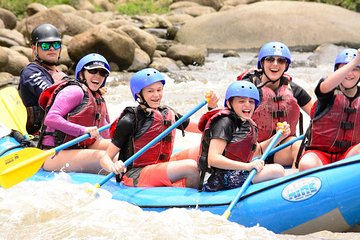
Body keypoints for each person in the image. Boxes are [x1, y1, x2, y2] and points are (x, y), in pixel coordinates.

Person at [100, 68, 218, 188]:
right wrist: (113, 166)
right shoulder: (130, 119)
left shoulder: (166, 112)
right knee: (191, 167)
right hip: (136, 174)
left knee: (210, 149)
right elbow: (105, 158)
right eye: (150, 91)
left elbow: (201, 128)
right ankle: (193, 198)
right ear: (138, 94)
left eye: (159, 90)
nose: (156, 95)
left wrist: (212, 108)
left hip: (162, 165)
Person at [197, 81, 287, 192]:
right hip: (216, 179)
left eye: (251, 101)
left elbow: (258, 151)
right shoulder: (224, 123)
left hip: (234, 172)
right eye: (241, 101)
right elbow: (213, 159)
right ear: (230, 104)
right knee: (277, 170)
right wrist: (247, 167)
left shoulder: (247, 123)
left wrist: (279, 138)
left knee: (279, 170)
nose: (247, 105)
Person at [237, 41, 314, 168]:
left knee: (300, 147)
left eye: (281, 61)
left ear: (286, 65)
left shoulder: (294, 90)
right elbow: (229, 119)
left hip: (281, 149)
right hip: (252, 150)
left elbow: (320, 115)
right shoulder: (247, 89)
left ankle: (294, 183)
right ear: (262, 63)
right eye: (270, 59)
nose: (275, 64)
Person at [39, 53, 112, 173]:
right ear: (82, 73)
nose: (98, 76)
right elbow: (51, 118)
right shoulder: (74, 91)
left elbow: (106, 132)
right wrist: (82, 130)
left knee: (120, 147)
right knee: (102, 157)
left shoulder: (97, 98)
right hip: (54, 153)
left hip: (80, 147)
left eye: (102, 73)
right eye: (93, 71)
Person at [298, 48, 360, 171]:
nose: (350, 73)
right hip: (319, 154)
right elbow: (325, 86)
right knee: (307, 164)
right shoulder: (327, 91)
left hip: (349, 155)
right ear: (337, 71)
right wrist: (355, 61)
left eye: (355, 69)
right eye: (345, 68)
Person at [18, 23, 68, 135]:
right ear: (34, 48)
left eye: (56, 45)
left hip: (61, 131)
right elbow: (52, 94)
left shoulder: (61, 75)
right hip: (38, 136)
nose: (51, 49)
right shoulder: (30, 73)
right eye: (45, 45)